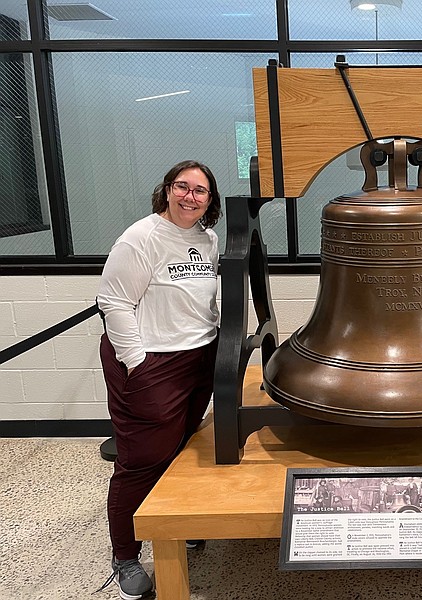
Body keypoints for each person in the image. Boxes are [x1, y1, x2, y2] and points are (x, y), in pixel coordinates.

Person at [96, 160, 222, 599]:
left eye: (200, 190)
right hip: (152, 362)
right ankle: (126, 556)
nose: (191, 196)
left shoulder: (207, 238)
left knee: (183, 446)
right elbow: (113, 301)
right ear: (167, 190)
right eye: (182, 187)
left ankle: (175, 521)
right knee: (142, 459)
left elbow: (201, 298)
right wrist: (136, 363)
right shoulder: (140, 238)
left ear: (210, 199)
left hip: (198, 357)